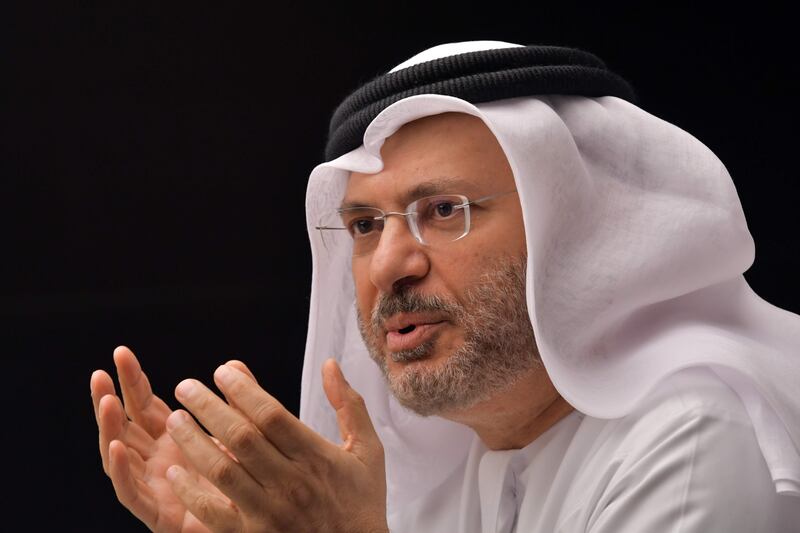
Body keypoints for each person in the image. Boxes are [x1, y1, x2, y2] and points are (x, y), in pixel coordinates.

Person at [91, 41, 800, 532]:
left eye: (443, 210)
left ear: (573, 234)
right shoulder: (449, 467)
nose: (388, 265)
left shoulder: (694, 435)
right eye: (365, 224)